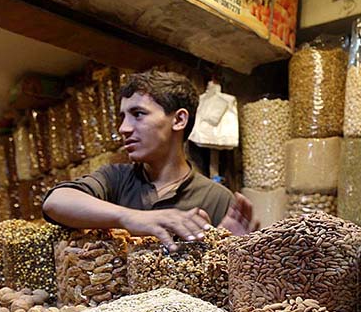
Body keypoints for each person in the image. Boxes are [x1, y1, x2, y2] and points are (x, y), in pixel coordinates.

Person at [42, 70, 258, 251]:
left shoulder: (216, 198)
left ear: (179, 120)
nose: (123, 128)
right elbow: (56, 202)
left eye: (138, 114)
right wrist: (130, 218)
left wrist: (229, 249)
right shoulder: (116, 179)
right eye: (123, 117)